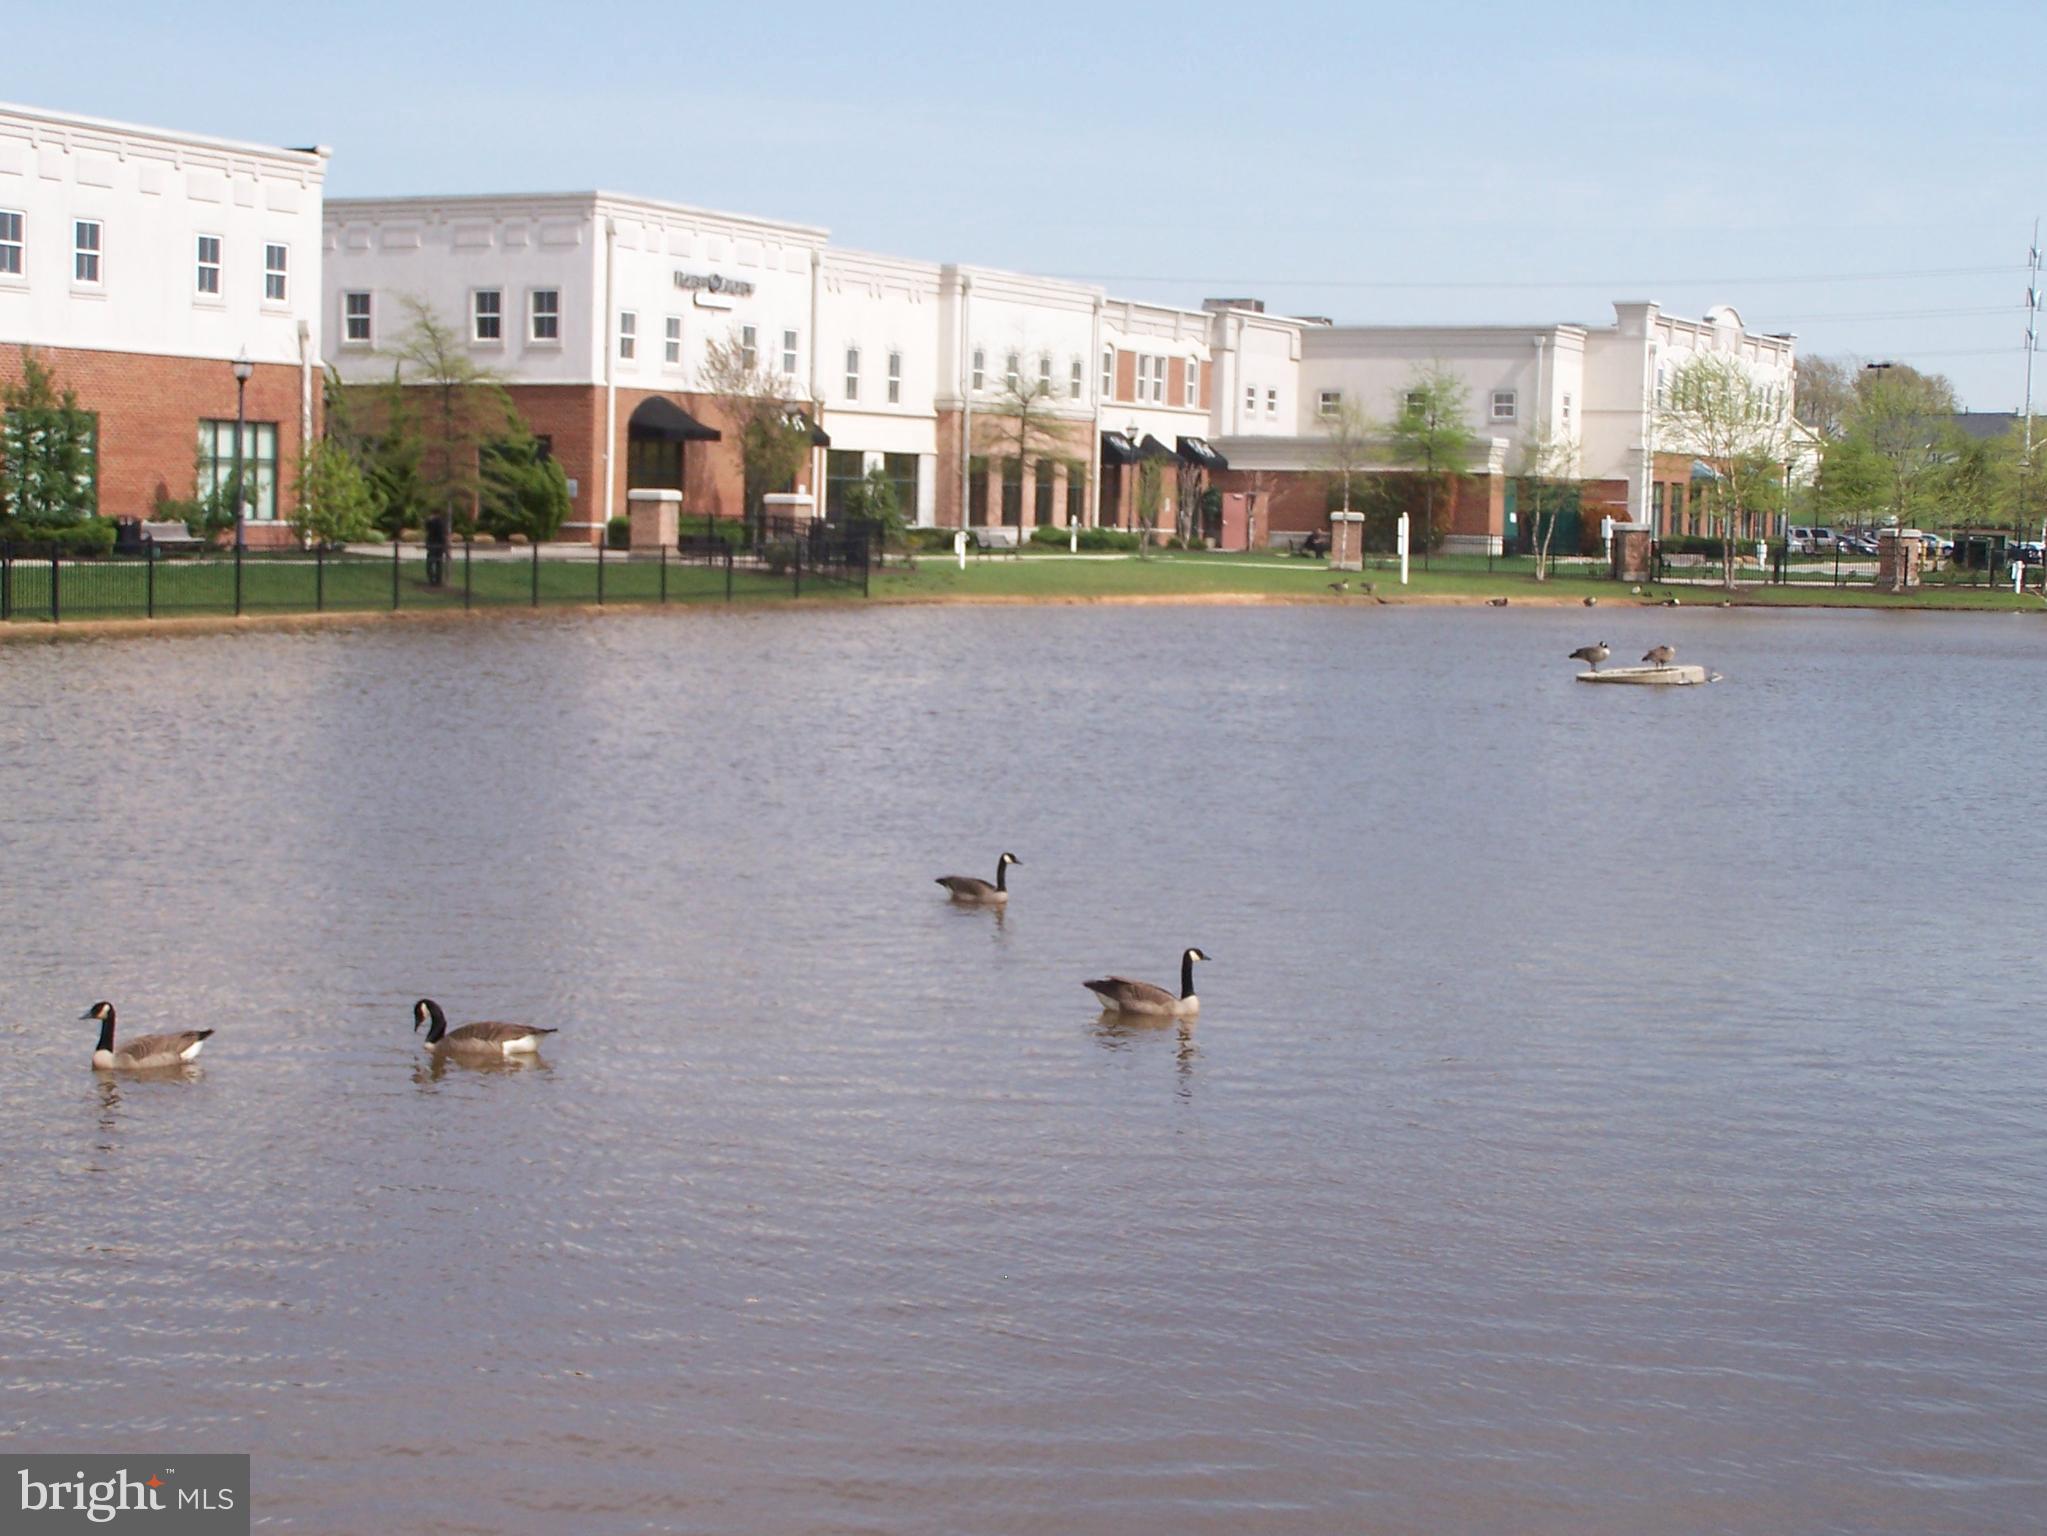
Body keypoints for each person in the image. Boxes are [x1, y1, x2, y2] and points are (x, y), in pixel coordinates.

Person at [424, 513, 450, 587]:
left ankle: (432, 579)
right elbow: (443, 535)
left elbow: (427, 528)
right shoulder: (441, 523)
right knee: (438, 563)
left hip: (433, 544)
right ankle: (438, 580)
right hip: (439, 545)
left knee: (431, 562)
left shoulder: (432, 523)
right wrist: (445, 548)